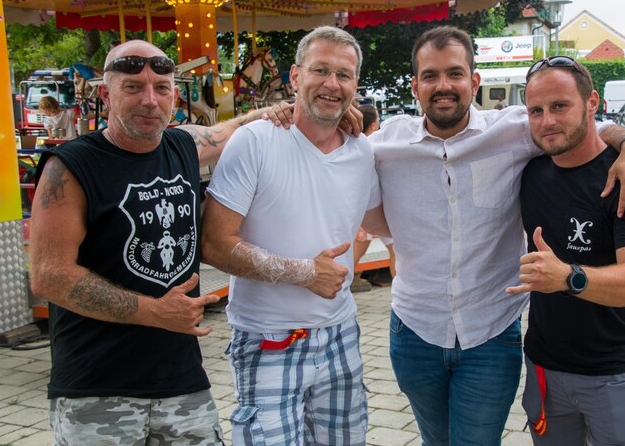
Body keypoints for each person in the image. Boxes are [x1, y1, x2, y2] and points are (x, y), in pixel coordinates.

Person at [266, 26, 625, 445]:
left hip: (490, 334)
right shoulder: (383, 146)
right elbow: (326, 142)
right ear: (415, 86)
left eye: (454, 73)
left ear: (474, 80)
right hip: (414, 333)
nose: (443, 86)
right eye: (430, 76)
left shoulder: (515, 130)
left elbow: (580, 123)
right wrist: (280, 113)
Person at [29, 39, 268, 445]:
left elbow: (238, 128)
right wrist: (155, 312)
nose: (149, 100)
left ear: (174, 95)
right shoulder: (70, 167)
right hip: (98, 391)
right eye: (133, 87)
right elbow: (49, 276)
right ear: (105, 94)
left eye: (161, 87)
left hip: (182, 380)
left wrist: (315, 112)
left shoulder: (183, 146)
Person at [200, 27, 387, 446]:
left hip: (341, 335)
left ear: (356, 85)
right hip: (268, 337)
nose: (332, 84)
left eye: (345, 74)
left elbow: (382, 221)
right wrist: (302, 272)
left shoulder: (361, 152)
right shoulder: (255, 141)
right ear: (295, 76)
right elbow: (213, 242)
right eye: (320, 70)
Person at [506, 57, 625, 445]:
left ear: (592, 103)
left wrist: (567, 277)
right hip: (545, 366)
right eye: (536, 111)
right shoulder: (531, 171)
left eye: (560, 106)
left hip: (613, 371)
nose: (547, 121)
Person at [352, 103, 396, 292]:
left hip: (366, 210)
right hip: (376, 211)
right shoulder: (375, 147)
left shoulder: (354, 144)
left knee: (355, 255)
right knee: (395, 253)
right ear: (372, 125)